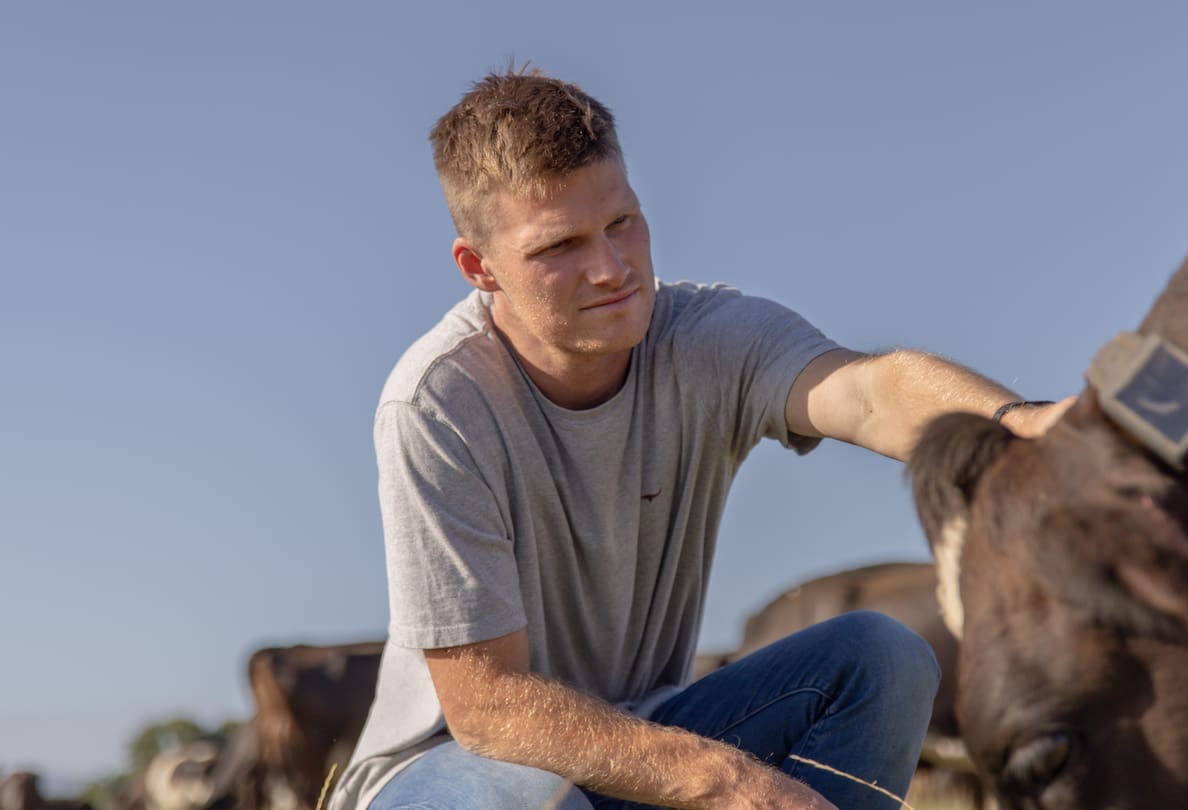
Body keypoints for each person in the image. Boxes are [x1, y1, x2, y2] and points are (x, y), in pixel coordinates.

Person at [328, 68, 1069, 810]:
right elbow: (487, 706)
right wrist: (730, 782)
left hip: (644, 735)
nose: (613, 270)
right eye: (561, 246)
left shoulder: (706, 339)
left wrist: (1022, 423)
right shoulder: (438, 401)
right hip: (456, 769)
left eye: (623, 222)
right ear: (478, 266)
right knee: (526, 799)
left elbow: (869, 394)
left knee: (884, 657)